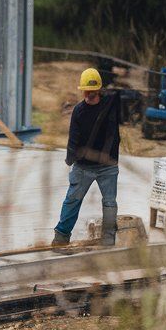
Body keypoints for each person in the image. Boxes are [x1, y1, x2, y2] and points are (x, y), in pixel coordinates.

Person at [52, 67, 122, 247]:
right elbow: (73, 139)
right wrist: (70, 159)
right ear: (82, 90)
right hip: (84, 167)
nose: (89, 94)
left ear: (99, 89)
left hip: (108, 166)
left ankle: (108, 240)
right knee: (72, 200)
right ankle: (61, 237)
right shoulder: (79, 111)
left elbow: (118, 124)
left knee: (109, 203)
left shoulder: (110, 106)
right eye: (87, 90)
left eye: (92, 90)